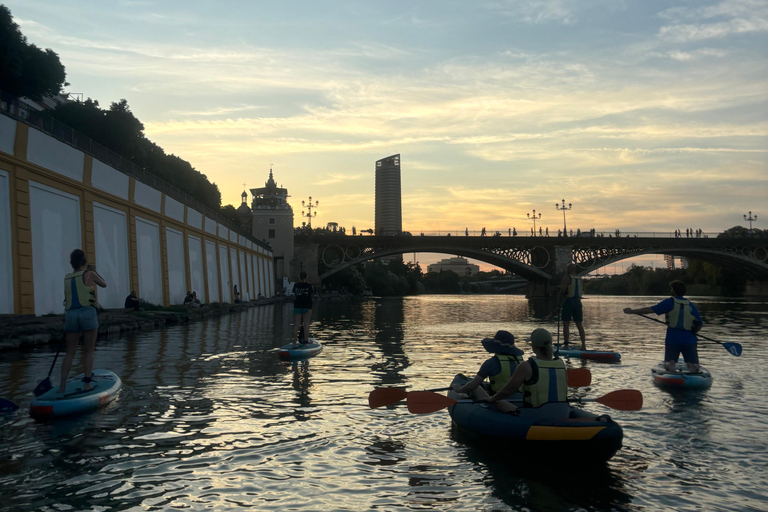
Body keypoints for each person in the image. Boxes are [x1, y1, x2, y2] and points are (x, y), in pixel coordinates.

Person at [624, 280, 703, 372]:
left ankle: (671, 366)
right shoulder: (691, 305)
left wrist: (632, 311)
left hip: (673, 338)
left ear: (673, 291)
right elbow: (699, 324)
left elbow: (651, 310)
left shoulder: (669, 302)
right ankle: (692, 367)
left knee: (669, 364)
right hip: (690, 339)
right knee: (694, 365)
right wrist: (694, 332)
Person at [486, 328, 568, 414]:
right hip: (562, 413)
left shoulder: (526, 366)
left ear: (534, 346)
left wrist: (493, 399)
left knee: (500, 402)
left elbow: (507, 391)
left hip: (535, 415)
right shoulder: (561, 365)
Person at [60, 249, 107, 393]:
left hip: (71, 315)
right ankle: (87, 384)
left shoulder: (67, 277)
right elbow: (104, 284)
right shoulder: (89, 274)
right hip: (87, 312)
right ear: (84, 261)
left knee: (70, 352)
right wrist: (94, 270)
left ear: (71, 263)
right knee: (88, 351)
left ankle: (62, 386)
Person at [451, 330, 524, 401]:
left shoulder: (491, 363)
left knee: (476, 387)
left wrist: (459, 389)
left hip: (499, 400)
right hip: (521, 398)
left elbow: (472, 385)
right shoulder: (521, 361)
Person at [560, 263, 586, 350]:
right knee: (579, 325)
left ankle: (566, 345)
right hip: (578, 302)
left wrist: (558, 303)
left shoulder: (566, 278)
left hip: (569, 301)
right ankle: (583, 345)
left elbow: (563, 291)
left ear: (568, 270)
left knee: (566, 324)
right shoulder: (580, 279)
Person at [292, 271, 313, 344]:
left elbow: (295, 294)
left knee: (296, 325)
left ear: (299, 277)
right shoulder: (309, 285)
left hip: (297, 306)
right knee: (306, 324)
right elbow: (311, 294)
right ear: (306, 277)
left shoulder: (296, 285)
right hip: (307, 306)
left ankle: (294, 342)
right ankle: (306, 341)